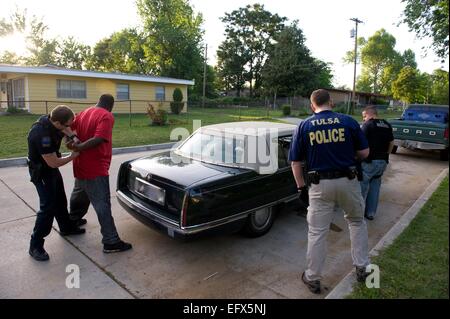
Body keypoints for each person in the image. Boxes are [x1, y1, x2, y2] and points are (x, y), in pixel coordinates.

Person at [289, 89, 371, 294]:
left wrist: (300, 187)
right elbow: (364, 152)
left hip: (319, 184)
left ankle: (313, 277)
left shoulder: (304, 125)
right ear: (331, 102)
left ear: (312, 105)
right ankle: (362, 268)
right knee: (356, 221)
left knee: (317, 232)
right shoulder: (349, 122)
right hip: (348, 179)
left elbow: (295, 162)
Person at [66, 94, 132, 253]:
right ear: (111, 105)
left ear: (98, 101)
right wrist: (78, 147)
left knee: (79, 194)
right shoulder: (106, 116)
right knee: (102, 203)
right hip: (95, 167)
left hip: (80, 164)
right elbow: (100, 139)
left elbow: (67, 128)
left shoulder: (83, 113)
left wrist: (71, 141)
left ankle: (71, 223)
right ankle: (111, 241)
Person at [27, 105, 86, 261]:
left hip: (50, 170)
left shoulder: (52, 121)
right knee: (47, 208)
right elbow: (53, 163)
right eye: (67, 125)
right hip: (42, 172)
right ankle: (35, 245)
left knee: (60, 198)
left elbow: (68, 132)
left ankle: (66, 228)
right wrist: (73, 155)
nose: (69, 128)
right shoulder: (42, 135)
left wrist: (73, 137)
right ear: (58, 122)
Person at [360, 106, 394, 220]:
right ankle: (370, 213)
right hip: (382, 162)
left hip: (369, 162)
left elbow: (360, 142)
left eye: (364, 116)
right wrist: (386, 155)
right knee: (375, 187)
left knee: (361, 188)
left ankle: (357, 213)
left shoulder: (368, 125)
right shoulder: (387, 124)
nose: (364, 119)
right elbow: (392, 142)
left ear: (371, 114)